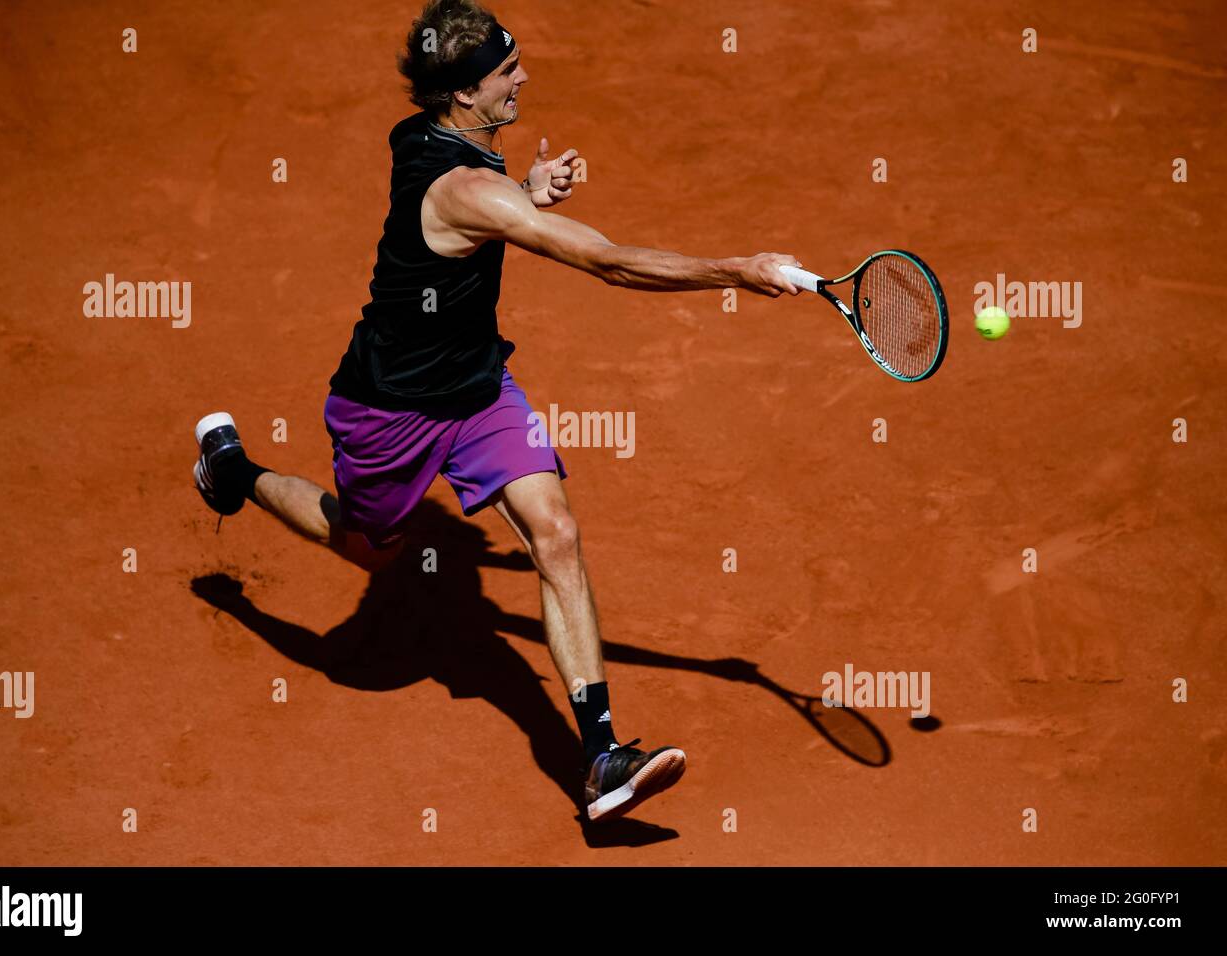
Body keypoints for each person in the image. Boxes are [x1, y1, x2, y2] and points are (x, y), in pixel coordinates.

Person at [192, 0, 801, 823]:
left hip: (478, 390)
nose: (524, 79)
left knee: (554, 531)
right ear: (465, 96)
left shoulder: (433, 137)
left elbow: (479, 205)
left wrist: (526, 190)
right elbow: (610, 264)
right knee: (370, 549)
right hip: (388, 409)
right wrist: (737, 269)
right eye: (507, 74)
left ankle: (601, 756)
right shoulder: (467, 185)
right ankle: (235, 471)